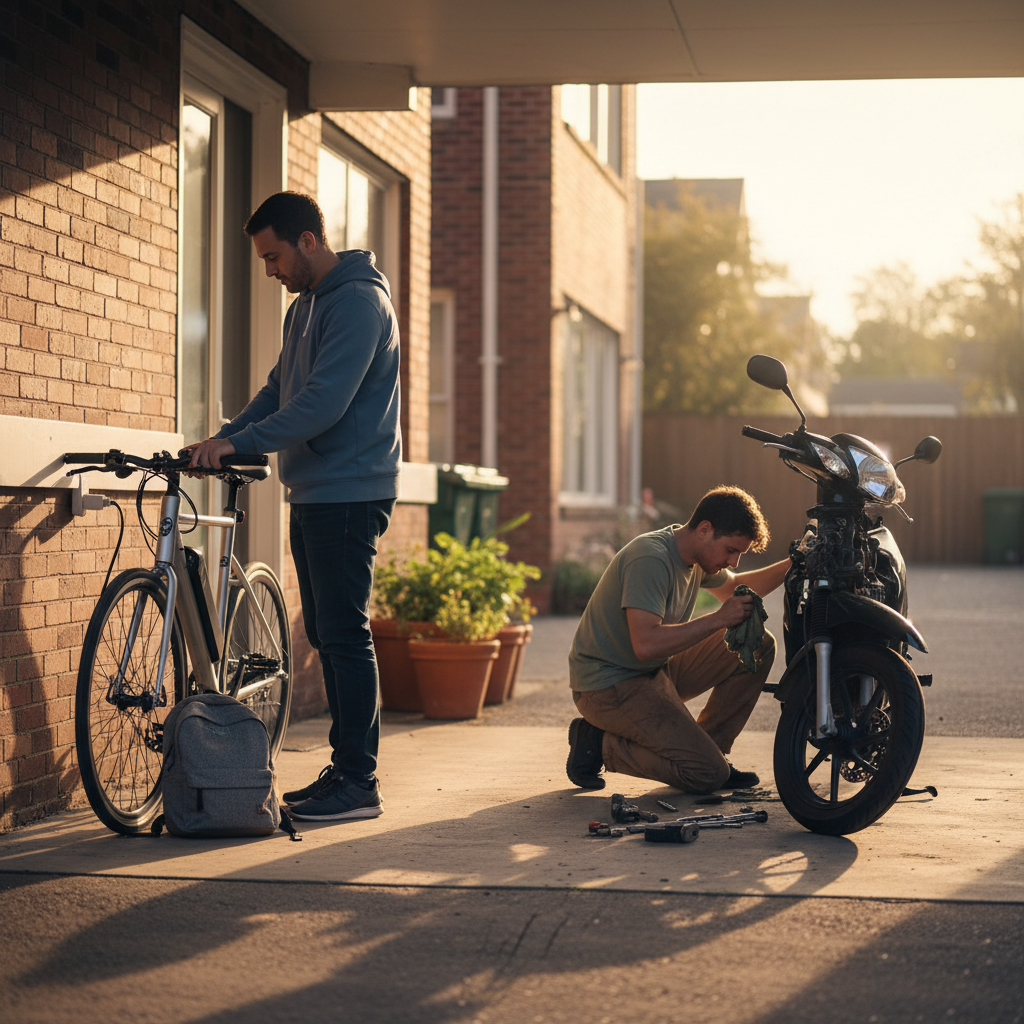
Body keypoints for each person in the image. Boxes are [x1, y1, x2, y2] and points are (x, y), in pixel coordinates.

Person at [186, 191, 401, 823]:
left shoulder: (360, 303)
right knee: (330, 636)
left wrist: (244, 444)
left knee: (344, 634)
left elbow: (324, 403)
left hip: (350, 491)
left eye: (274, 256)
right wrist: (227, 435)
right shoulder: (305, 307)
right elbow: (281, 389)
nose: (271, 270)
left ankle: (359, 783)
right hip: (314, 489)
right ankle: (345, 769)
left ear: (308, 241)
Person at [565, 485, 791, 794]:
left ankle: (712, 752)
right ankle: (598, 743)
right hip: (608, 686)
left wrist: (794, 563)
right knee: (705, 776)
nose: (734, 561)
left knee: (761, 645)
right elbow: (645, 645)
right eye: (731, 550)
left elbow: (734, 586)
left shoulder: (696, 557)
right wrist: (718, 619)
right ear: (704, 530)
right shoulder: (651, 558)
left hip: (654, 671)